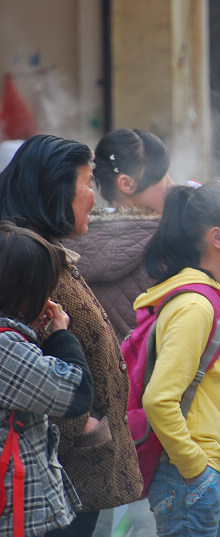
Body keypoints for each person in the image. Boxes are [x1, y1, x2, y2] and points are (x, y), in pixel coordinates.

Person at [0, 134, 143, 536]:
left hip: (75, 471)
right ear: (55, 189)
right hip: (51, 480)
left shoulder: (44, 252)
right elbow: (29, 365)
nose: (93, 197)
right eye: (85, 183)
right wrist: (79, 425)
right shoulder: (23, 261)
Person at [136, 181, 220, 536]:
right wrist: (196, 468)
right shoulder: (195, 306)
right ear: (217, 238)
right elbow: (159, 399)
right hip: (193, 480)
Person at [0, 221, 94, 536]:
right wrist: (61, 333)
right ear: (25, 293)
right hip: (17, 518)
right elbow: (74, 391)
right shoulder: (4, 347)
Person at [62, 128, 173, 343]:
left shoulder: (69, 240)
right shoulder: (167, 242)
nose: (171, 184)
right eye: (161, 175)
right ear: (126, 184)